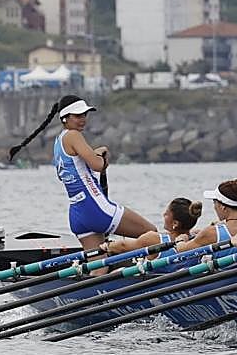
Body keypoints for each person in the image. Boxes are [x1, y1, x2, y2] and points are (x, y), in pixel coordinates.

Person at [10, 95, 156, 252]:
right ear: (65, 118)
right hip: (96, 208)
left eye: (85, 114)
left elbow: (71, 172)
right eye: (78, 115)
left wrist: (96, 154)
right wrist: (101, 153)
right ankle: (126, 254)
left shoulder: (59, 141)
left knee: (98, 268)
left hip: (77, 215)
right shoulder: (73, 135)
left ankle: (106, 266)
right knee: (152, 235)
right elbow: (97, 165)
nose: (83, 119)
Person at [177, 179, 237, 250]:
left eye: (214, 203)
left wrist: (180, 240)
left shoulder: (211, 232)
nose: (214, 207)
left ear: (222, 206)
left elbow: (182, 249)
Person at [105, 197, 201, 254]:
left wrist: (107, 246)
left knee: (118, 271)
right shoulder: (197, 239)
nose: (163, 214)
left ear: (175, 223)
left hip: (157, 281)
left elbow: (123, 246)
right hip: (183, 280)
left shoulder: (153, 239)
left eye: (167, 214)